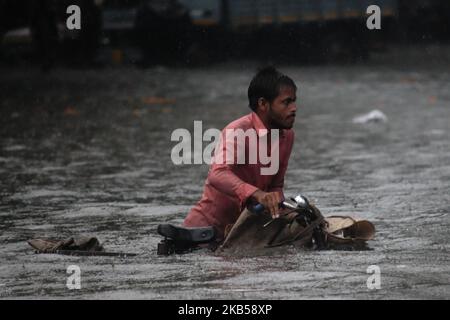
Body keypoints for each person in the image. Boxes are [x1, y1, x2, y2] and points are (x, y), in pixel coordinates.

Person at [183, 67, 297, 242]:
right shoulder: (237, 131)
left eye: (294, 101)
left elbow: (275, 186)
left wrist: (283, 211)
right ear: (263, 104)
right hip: (205, 233)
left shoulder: (286, 135)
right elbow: (217, 174)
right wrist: (257, 194)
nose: (294, 108)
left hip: (242, 233)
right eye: (286, 102)